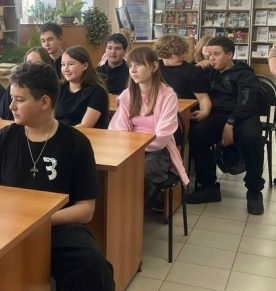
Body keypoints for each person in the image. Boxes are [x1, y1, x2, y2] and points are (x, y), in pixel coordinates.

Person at [0, 62, 115, 291]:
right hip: (4, 229)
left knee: (95, 269)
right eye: (12, 98)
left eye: (20, 100)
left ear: (44, 102)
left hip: (57, 228)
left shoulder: (75, 143)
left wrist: (39, 222)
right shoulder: (4, 138)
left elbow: (86, 210)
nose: (11, 106)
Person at [186, 36, 265, 215]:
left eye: (216, 54)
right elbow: (190, 79)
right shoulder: (209, 71)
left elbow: (247, 102)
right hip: (219, 114)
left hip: (244, 114)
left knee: (252, 139)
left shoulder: (244, 74)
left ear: (229, 55)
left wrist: (231, 123)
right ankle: (208, 186)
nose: (211, 58)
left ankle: (254, 191)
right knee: (198, 134)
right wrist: (198, 68)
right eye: (209, 54)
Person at [108, 47, 189, 204]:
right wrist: (131, 147)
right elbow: (118, 130)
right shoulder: (127, 95)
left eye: (138, 65)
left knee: (141, 173)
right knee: (110, 171)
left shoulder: (168, 95)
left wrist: (135, 144)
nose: (133, 70)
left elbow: (161, 138)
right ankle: (119, 213)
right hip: (130, 149)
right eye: (130, 66)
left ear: (154, 66)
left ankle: (133, 211)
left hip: (158, 150)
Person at [155, 34, 212, 123]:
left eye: (184, 52)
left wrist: (204, 112)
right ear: (164, 53)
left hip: (183, 113)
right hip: (159, 110)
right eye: (177, 53)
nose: (183, 55)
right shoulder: (154, 67)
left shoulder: (193, 71)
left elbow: (203, 98)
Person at [0, 46, 52, 120]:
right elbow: (0, 116)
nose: (31, 67)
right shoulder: (15, 85)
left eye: (36, 64)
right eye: (28, 63)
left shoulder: (51, 89)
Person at [56, 46, 110, 128]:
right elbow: (50, 119)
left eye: (70, 64)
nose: (65, 69)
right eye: (63, 65)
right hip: (59, 132)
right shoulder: (59, 87)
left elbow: (85, 126)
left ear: (85, 66)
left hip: (83, 134)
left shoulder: (97, 92)